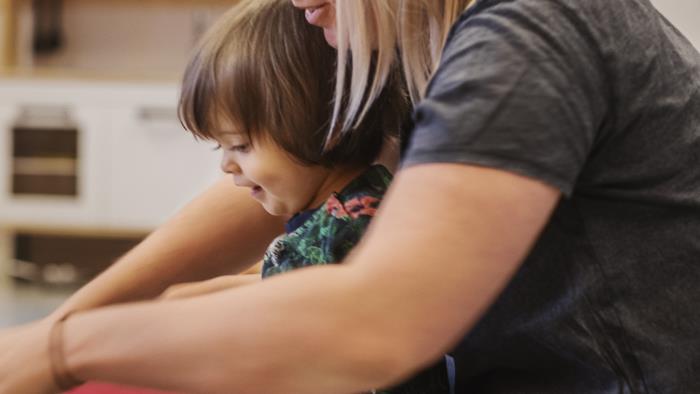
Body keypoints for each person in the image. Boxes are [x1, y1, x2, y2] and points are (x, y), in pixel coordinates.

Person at [1, 0, 700, 393]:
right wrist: (70, 320)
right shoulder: (418, 40)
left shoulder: (530, 35)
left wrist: (64, 348)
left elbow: (377, 322)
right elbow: (283, 176)